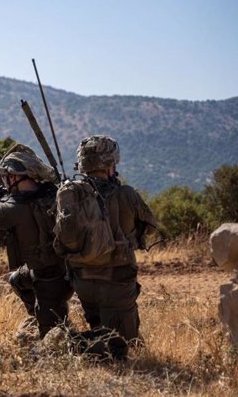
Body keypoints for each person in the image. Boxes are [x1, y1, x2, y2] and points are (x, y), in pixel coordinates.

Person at [60, 135, 157, 359]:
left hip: (82, 279)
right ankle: (84, 348)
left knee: (98, 328)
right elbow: (151, 225)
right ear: (111, 164)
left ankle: (87, 347)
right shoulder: (126, 194)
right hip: (118, 280)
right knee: (126, 345)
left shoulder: (70, 194)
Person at [0, 144, 73, 339]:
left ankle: (60, 327)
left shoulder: (13, 208)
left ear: (15, 177)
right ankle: (44, 317)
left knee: (53, 340)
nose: (5, 182)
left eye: (6, 177)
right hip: (65, 268)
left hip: (48, 278)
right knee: (17, 279)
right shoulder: (53, 194)